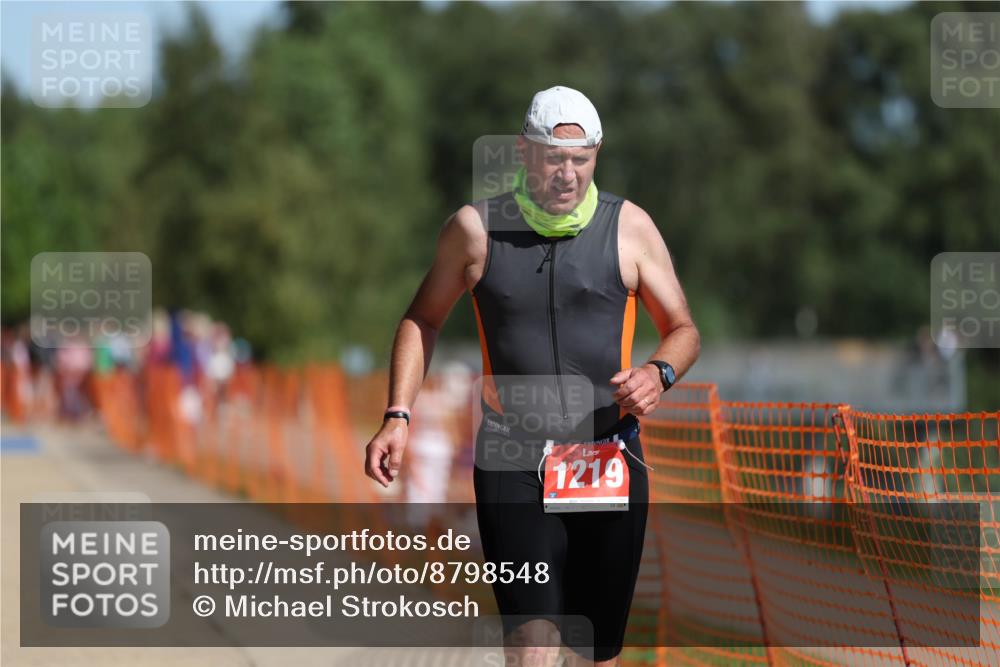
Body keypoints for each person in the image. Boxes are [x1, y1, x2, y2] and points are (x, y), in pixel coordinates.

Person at [364, 85, 700, 666]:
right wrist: (398, 415)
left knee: (595, 652)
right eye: (554, 159)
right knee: (532, 644)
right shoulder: (476, 229)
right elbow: (422, 318)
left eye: (581, 159)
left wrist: (658, 371)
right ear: (523, 152)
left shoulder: (629, 228)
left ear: (597, 154)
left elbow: (683, 328)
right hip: (513, 457)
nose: (568, 174)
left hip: (607, 456)